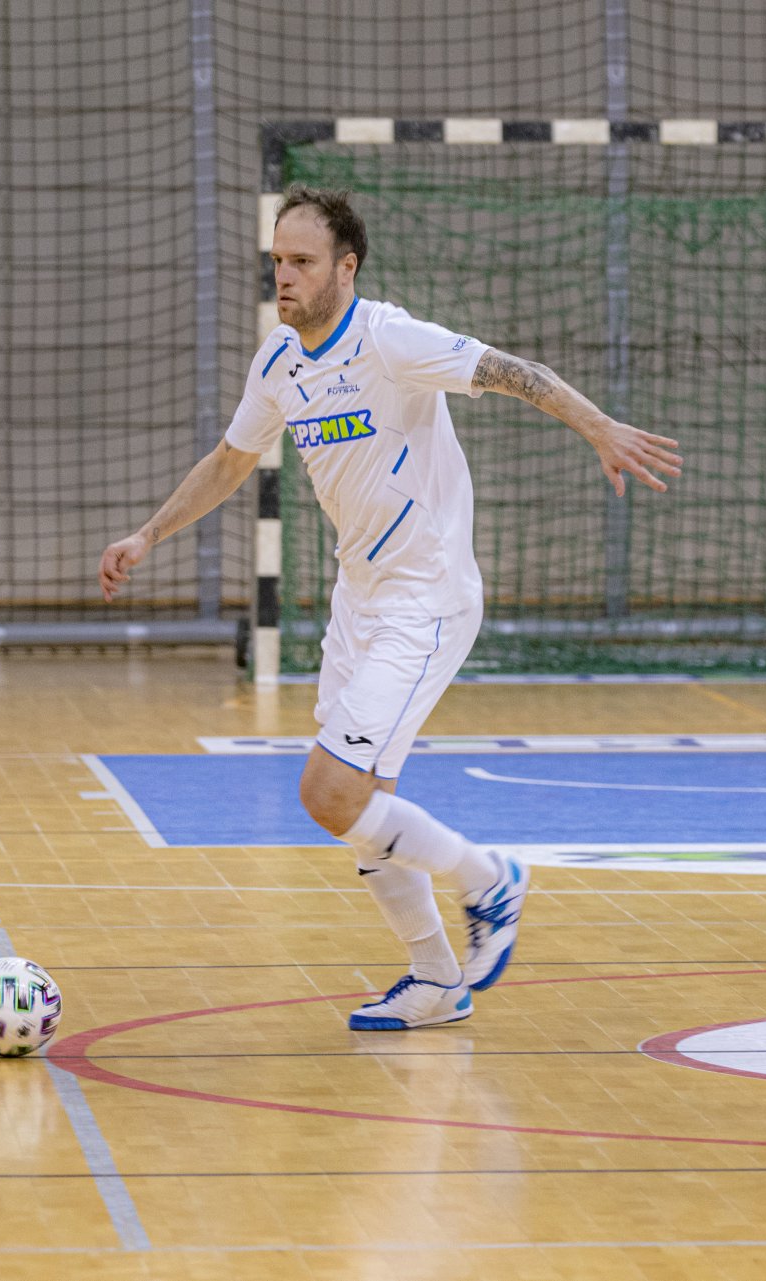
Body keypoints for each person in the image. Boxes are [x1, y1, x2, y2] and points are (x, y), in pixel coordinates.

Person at [98, 186, 682, 1030]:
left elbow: (519, 374)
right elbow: (230, 459)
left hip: (427, 597)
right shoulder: (279, 362)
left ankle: (490, 877)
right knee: (366, 807)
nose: (284, 276)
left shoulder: (389, 338)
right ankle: (437, 980)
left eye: (301, 262)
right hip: (359, 599)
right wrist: (147, 535)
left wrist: (599, 428)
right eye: (276, 262)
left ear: (347, 266)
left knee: (329, 791)